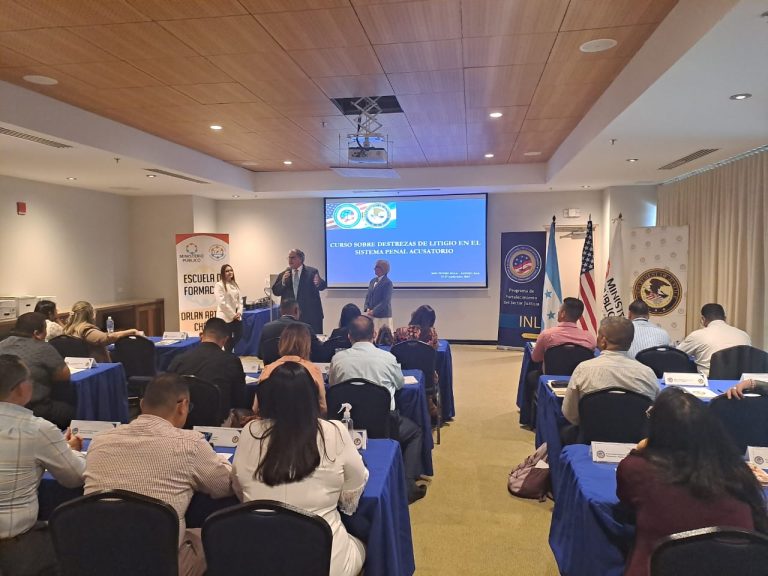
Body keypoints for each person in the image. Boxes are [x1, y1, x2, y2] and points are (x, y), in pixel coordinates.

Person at [84, 373, 234, 576]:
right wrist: (221, 461)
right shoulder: (190, 444)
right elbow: (225, 486)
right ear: (183, 405)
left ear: (142, 404)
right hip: (157, 565)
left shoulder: (99, 440)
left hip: (94, 560)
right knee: (215, 535)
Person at [233, 362, 367, 576]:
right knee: (367, 540)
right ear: (312, 397)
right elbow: (355, 485)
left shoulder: (251, 432)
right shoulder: (334, 431)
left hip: (261, 559)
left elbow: (238, 485)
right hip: (324, 563)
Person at [617, 387, 767, 576]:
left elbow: (626, 500)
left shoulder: (637, 469)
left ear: (655, 430)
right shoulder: (737, 471)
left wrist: (642, 447)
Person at [0, 355, 85, 576]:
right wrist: (71, 451)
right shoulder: (37, 429)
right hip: (14, 547)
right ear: (22, 388)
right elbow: (75, 477)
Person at [328, 316, 426, 503]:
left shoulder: (337, 359)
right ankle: (406, 485)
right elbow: (399, 384)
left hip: (345, 424)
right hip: (383, 423)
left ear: (349, 336)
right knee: (415, 432)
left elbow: (334, 387)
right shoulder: (388, 358)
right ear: (374, 334)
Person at [562, 316, 660, 427]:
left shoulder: (583, 369)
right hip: (636, 435)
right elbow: (655, 413)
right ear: (630, 342)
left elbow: (569, 413)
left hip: (591, 433)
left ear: (603, 341)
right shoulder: (648, 374)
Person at [168, 317, 247, 425]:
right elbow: (239, 400)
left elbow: (168, 392)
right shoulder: (232, 361)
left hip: (182, 421)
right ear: (225, 340)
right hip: (217, 424)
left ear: (201, 335)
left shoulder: (179, 360)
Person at [0, 312, 73, 429]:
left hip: (4, 409)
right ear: (37, 333)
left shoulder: (2, 344)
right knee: (69, 410)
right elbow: (64, 375)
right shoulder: (42, 347)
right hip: (33, 407)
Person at [258, 323, 327, 415]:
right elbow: (322, 407)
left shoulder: (268, 369)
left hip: (272, 421)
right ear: (307, 344)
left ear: (282, 343)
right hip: (306, 421)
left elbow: (257, 407)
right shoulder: (314, 370)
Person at [677, 303, 751, 376]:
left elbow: (676, 354)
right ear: (725, 318)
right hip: (741, 382)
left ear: (702, 319)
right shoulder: (744, 335)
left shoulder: (697, 335)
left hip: (709, 381)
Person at [63, 300, 141, 363]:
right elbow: (107, 338)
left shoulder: (68, 330)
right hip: (97, 367)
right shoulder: (85, 330)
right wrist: (131, 331)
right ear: (90, 315)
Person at [271, 248, 327, 334]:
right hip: (290, 316)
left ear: (300, 259)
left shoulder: (312, 272)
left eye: (293, 258)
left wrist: (319, 283)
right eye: (289, 258)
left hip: (310, 316)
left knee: (312, 340)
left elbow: (322, 286)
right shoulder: (284, 274)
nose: (290, 260)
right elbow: (276, 291)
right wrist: (283, 282)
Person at [531, 297, 597, 365]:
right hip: (579, 372)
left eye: (559, 310)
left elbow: (536, 358)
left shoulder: (547, 335)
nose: (558, 312)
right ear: (579, 317)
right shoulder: (589, 338)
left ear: (563, 313)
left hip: (553, 371)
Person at [258, 299, 321, 363]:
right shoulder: (305, 328)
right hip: (299, 368)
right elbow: (318, 354)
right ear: (296, 310)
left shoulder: (266, 328)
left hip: (272, 368)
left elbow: (260, 355)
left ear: (281, 311)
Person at [214, 263, 242, 353]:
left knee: (240, 334)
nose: (230, 272)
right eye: (227, 271)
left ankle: (228, 353)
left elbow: (240, 300)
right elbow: (222, 303)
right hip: (225, 317)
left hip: (236, 316)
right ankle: (227, 355)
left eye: (231, 270)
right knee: (227, 339)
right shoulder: (219, 285)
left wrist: (239, 312)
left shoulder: (235, 284)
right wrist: (233, 315)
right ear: (223, 273)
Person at [363, 259, 393, 331]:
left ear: (382, 269)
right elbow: (368, 296)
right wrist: (366, 307)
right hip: (371, 315)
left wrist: (374, 311)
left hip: (383, 316)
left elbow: (385, 301)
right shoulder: (372, 281)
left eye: (376, 267)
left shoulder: (388, 283)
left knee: (382, 335)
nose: (374, 269)